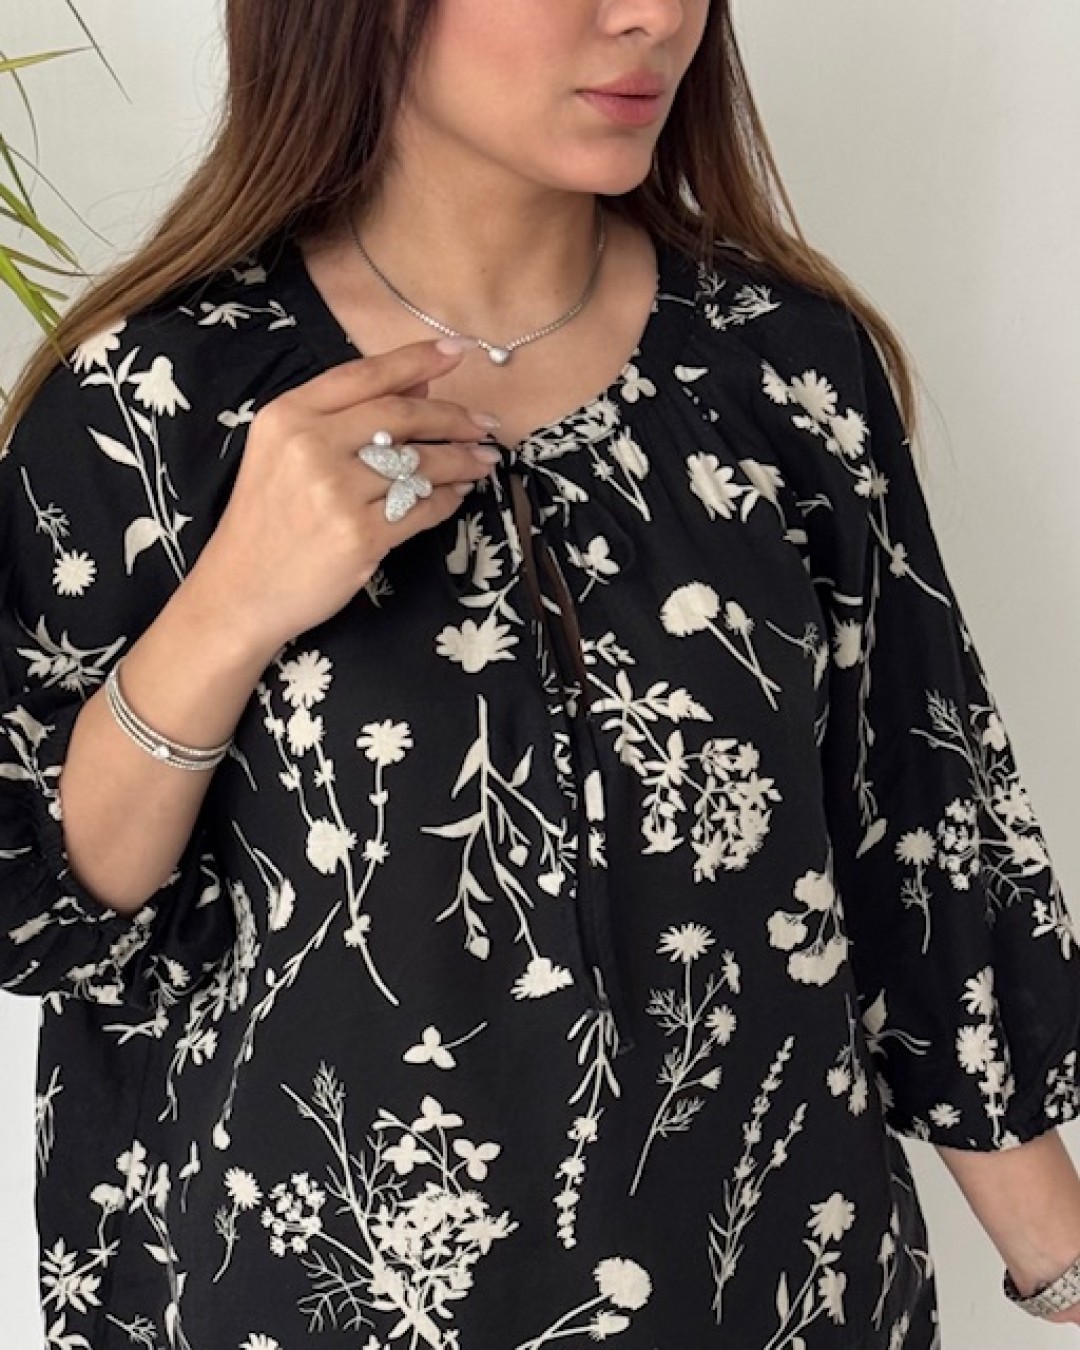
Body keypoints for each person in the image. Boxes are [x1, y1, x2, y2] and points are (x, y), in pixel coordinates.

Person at [1, 2, 1079, 1346]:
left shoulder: (783, 368)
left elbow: (921, 844)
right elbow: (47, 913)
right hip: (297, 1300)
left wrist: (1057, 1262)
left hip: (772, 1294)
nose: (654, 17)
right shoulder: (151, 396)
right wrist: (231, 606)